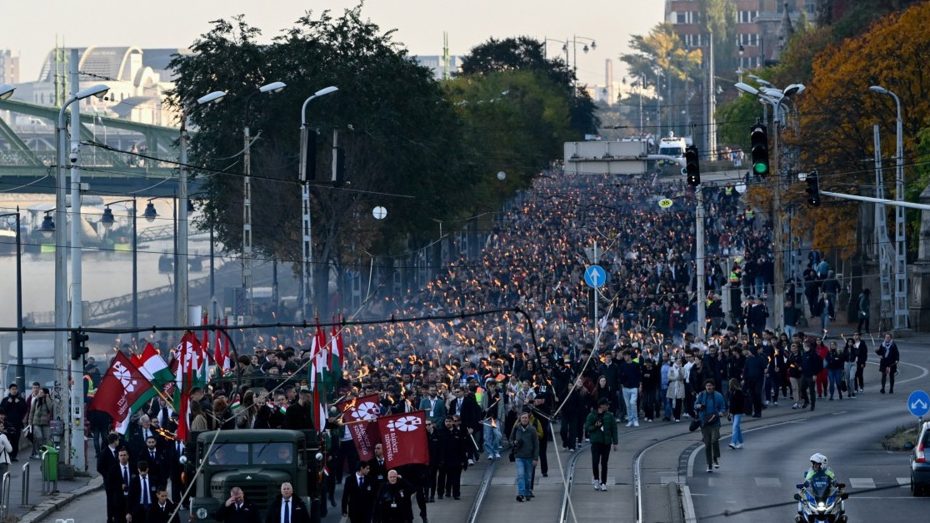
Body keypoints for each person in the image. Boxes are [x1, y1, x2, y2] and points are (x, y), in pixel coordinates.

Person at [797, 453, 845, 521]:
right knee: (800, 515)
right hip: (814, 495)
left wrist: (837, 484)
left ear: (822, 464)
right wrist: (804, 485)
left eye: (816, 464)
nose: (814, 465)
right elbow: (807, 481)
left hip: (827, 494)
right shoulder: (811, 472)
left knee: (842, 515)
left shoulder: (828, 472)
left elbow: (834, 481)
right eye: (814, 464)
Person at [584, 398, 618, 492]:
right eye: (606, 405)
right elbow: (587, 427)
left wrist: (615, 442)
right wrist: (595, 426)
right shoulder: (592, 415)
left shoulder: (610, 416)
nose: (608, 406)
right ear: (601, 406)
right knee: (595, 462)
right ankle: (596, 480)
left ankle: (603, 483)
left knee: (604, 463)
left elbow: (614, 429)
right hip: (596, 442)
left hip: (606, 442)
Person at [695, 378, 726, 473]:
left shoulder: (718, 395)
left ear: (713, 386)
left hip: (715, 422)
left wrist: (721, 413)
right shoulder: (701, 395)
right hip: (704, 423)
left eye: (710, 385)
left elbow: (723, 408)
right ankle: (709, 464)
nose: (709, 387)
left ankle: (715, 458)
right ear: (705, 387)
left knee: (714, 439)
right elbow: (695, 405)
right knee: (707, 444)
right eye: (707, 386)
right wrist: (699, 406)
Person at [509, 411, 539, 502]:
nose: (525, 419)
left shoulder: (532, 430)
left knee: (528, 477)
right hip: (519, 456)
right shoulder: (516, 428)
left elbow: (536, 445)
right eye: (523, 418)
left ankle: (527, 491)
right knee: (521, 475)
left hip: (529, 457)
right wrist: (513, 443)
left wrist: (535, 458)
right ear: (520, 419)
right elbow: (511, 439)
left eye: (526, 418)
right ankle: (521, 493)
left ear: (528, 419)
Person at [0, 383, 26, 461]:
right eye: (12, 389)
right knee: (8, 439)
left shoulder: (20, 400)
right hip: (7, 423)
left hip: (17, 423)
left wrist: (18, 403)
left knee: (16, 440)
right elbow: (2, 410)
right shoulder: (5, 399)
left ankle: (14, 455)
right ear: (9, 390)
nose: (14, 391)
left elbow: (24, 410)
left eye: (15, 389)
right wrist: (8, 402)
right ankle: (9, 455)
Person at [29, 387, 53, 453]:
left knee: (46, 438)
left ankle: (46, 451)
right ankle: (40, 450)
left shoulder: (49, 400)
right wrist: (30, 421)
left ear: (45, 393)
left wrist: (47, 398)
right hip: (36, 422)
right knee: (38, 437)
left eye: (42, 392)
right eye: (39, 392)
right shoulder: (36, 400)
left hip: (46, 422)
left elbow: (50, 408)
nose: (40, 393)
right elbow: (32, 411)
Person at [726, 379, 745, 449]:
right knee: (737, 427)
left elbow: (739, 403)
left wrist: (730, 411)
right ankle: (741, 442)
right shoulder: (731, 392)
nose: (730, 385)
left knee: (735, 426)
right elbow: (730, 404)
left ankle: (733, 442)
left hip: (738, 412)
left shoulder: (739, 392)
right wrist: (729, 412)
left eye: (731, 384)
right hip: (734, 412)